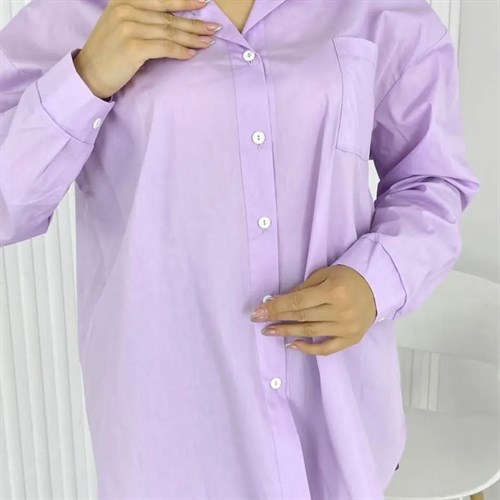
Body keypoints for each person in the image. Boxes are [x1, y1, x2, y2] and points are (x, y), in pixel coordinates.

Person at [0, 0, 480, 498]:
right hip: (171, 435)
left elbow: (432, 179)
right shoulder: (77, 12)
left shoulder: (379, 11)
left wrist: (376, 280)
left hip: (335, 423)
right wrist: (86, 78)